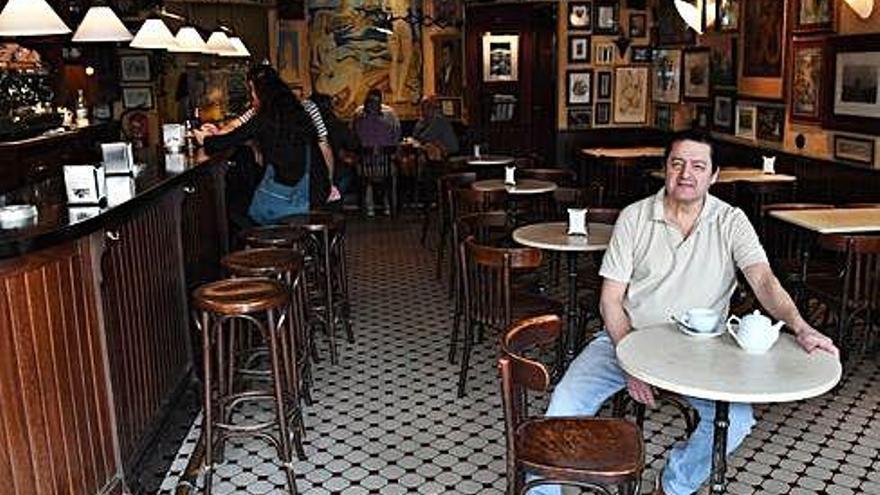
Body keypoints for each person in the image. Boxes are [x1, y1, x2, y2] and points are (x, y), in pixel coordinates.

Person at [532, 132, 838, 495]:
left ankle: (673, 486)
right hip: (626, 338)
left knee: (736, 422)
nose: (686, 174)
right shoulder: (634, 217)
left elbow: (764, 281)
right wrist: (632, 361)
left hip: (703, 351)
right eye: (677, 164)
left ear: (714, 175)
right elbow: (609, 302)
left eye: (698, 166)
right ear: (665, 169)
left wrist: (800, 326)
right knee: (565, 401)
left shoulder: (731, 221)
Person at [192, 65, 331, 225]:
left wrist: (205, 139)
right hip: (318, 188)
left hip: (297, 196)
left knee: (237, 209)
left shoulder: (265, 118)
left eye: (252, 90)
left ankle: (263, 247)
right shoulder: (299, 112)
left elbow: (227, 141)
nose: (252, 96)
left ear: (261, 91)